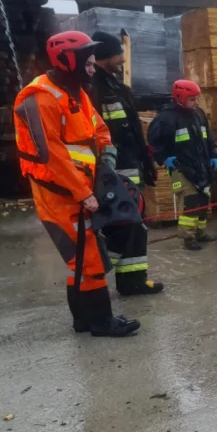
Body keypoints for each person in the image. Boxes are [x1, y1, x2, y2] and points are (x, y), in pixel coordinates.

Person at [13, 31, 140, 337]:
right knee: (89, 255)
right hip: (58, 191)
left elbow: (98, 128)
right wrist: (83, 194)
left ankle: (83, 320)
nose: (93, 68)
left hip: (81, 186)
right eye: (89, 63)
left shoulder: (75, 93)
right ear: (69, 61)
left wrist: (106, 160)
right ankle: (102, 321)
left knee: (80, 256)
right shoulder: (39, 97)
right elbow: (51, 155)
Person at [87, 30, 164, 295]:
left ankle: (133, 280)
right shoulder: (92, 90)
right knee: (123, 225)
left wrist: (146, 161)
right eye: (118, 54)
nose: (123, 59)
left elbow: (132, 132)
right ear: (104, 56)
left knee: (135, 224)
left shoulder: (116, 88)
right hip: (113, 172)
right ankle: (97, 268)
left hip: (130, 166)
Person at [147, 80, 217, 250]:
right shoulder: (166, 118)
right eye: (192, 99)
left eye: (196, 99)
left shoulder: (199, 115)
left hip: (201, 166)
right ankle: (188, 237)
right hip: (181, 167)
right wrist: (164, 159)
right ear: (180, 98)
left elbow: (209, 139)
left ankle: (200, 232)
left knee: (203, 199)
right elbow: (153, 143)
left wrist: (215, 155)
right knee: (190, 201)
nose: (196, 103)